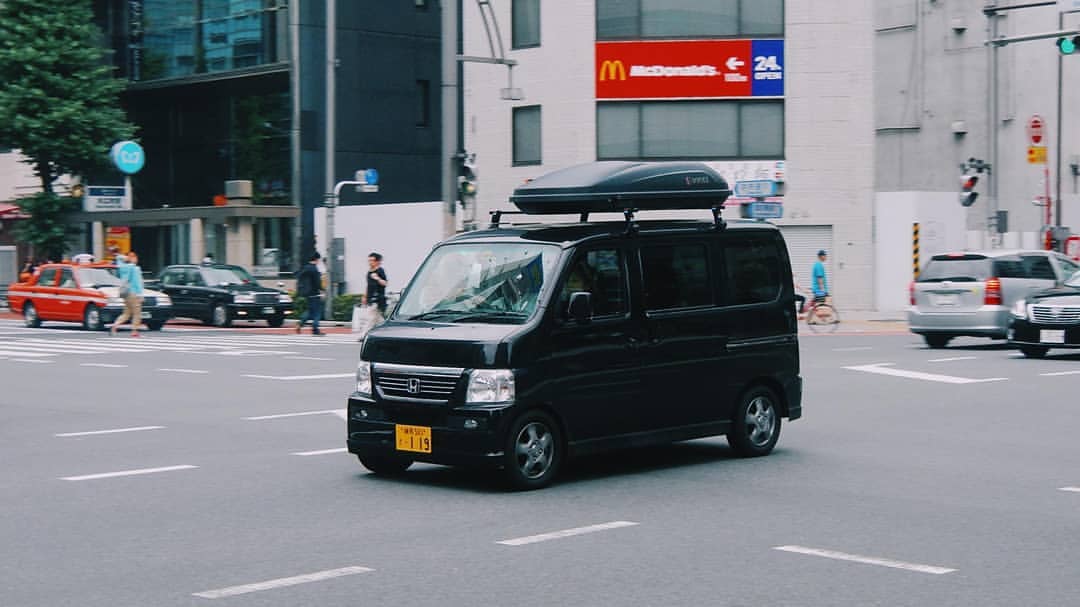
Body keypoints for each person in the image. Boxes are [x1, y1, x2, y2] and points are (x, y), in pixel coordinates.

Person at [110, 251, 145, 337]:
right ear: (133, 258)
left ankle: (115, 325)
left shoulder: (122, 267)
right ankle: (134, 331)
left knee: (126, 313)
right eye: (135, 257)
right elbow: (138, 283)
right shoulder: (135, 269)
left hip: (126, 293)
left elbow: (118, 258)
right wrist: (140, 295)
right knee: (137, 313)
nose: (136, 259)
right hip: (134, 293)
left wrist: (124, 257)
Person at [295, 252, 325, 335]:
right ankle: (315, 329)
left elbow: (297, 275)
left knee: (310, 311)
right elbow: (317, 282)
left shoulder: (305, 267)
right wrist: (322, 290)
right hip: (315, 293)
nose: (319, 261)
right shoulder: (314, 269)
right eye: (318, 260)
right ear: (316, 259)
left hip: (307, 293)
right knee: (318, 312)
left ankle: (300, 323)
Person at [364, 252, 388, 319]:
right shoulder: (369, 272)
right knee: (378, 319)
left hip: (378, 300)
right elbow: (368, 285)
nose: (370, 262)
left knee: (370, 320)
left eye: (372, 260)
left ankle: (367, 330)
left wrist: (377, 278)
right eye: (369, 260)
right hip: (371, 300)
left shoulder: (380, 271)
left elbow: (385, 283)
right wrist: (365, 296)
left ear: (377, 261)